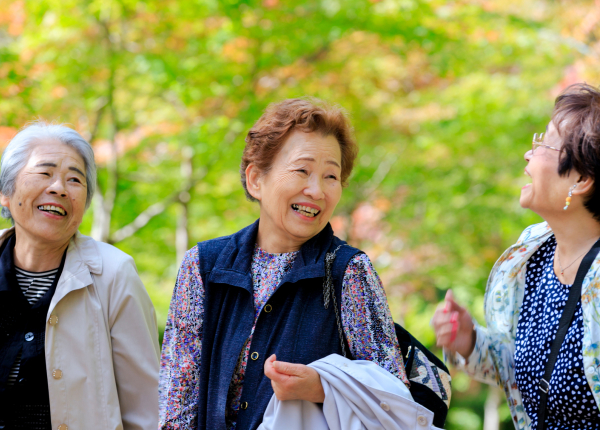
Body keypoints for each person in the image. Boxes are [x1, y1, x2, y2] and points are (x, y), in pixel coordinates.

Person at [159, 98, 426, 430]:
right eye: (302, 170)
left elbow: (394, 398)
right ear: (256, 179)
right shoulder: (202, 266)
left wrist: (321, 386)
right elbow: (177, 400)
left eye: (331, 175)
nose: (316, 190)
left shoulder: (349, 271)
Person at [432, 83, 600, 429]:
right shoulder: (532, 255)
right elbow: (528, 372)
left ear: (581, 178)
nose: (528, 154)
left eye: (544, 143)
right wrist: (470, 341)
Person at [0, 122, 160, 430]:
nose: (59, 188)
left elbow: (147, 410)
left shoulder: (113, 274)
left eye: (75, 179)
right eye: (45, 173)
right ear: (6, 193)